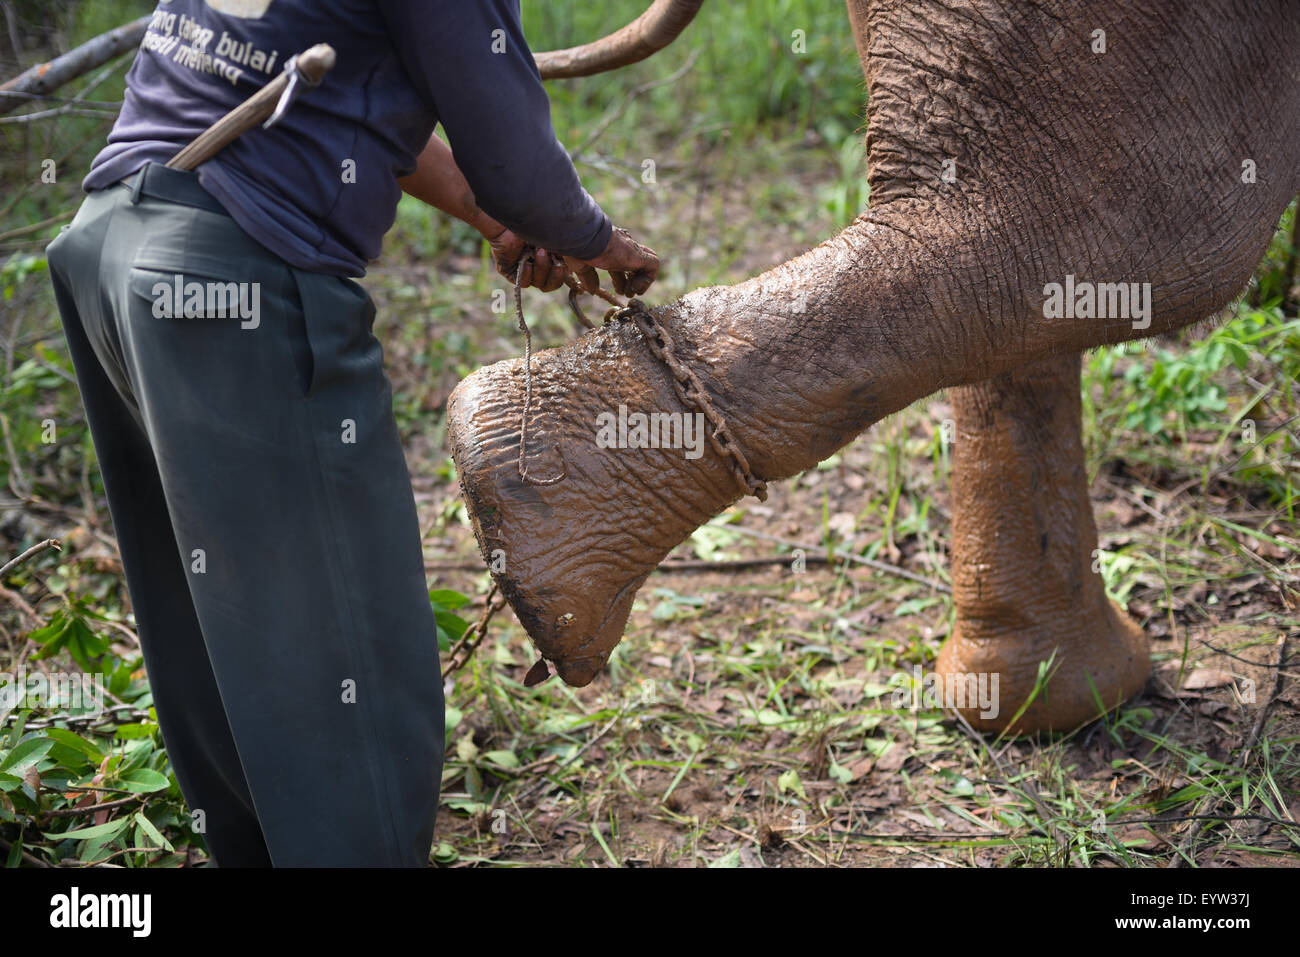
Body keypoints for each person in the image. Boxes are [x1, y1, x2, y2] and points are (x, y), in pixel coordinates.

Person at [44, 0, 658, 867]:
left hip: (115, 249)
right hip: (235, 274)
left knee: (219, 626)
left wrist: (494, 219)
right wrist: (591, 235)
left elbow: (350, 108)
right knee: (350, 658)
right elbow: (514, 154)